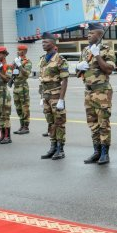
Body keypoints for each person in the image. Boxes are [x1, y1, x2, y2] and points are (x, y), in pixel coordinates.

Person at [79, 22, 116, 165]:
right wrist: (78, 67)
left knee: (103, 123)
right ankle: (96, 151)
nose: (88, 34)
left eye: (92, 32)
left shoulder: (107, 50)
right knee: (92, 123)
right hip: (88, 92)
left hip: (102, 91)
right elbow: (83, 71)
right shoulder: (85, 51)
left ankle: (105, 153)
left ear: (100, 35)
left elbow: (108, 69)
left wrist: (98, 56)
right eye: (88, 32)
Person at [39, 32, 69, 160]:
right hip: (46, 95)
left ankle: (60, 149)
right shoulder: (42, 59)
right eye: (42, 42)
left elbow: (65, 81)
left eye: (45, 42)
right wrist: (42, 96)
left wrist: (61, 99)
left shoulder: (60, 60)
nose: (43, 44)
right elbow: (42, 79)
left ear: (53, 43)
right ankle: (52, 146)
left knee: (59, 122)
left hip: (56, 95)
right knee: (50, 122)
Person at [12, 45, 32, 134]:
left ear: (24, 51)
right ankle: (21, 125)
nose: (17, 52)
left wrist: (20, 65)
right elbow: (10, 71)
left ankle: (26, 127)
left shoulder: (27, 62)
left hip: (23, 87)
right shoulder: (16, 61)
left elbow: (26, 74)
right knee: (18, 107)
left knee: (25, 107)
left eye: (19, 50)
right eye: (17, 50)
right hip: (16, 87)